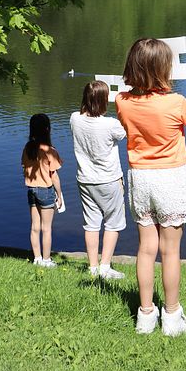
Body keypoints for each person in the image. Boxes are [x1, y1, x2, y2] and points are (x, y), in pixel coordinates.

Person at [115, 38, 186, 337]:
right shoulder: (176, 103)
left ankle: (146, 315)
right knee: (171, 251)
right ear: (164, 68)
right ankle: (172, 316)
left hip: (140, 179)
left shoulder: (122, 101)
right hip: (170, 179)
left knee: (146, 249)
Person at [70, 81, 127, 279]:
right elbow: (124, 133)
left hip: (85, 180)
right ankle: (105, 266)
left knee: (91, 224)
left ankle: (93, 267)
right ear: (104, 100)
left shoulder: (74, 119)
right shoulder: (110, 124)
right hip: (109, 180)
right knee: (112, 223)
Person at [22, 114, 63, 268]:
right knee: (46, 228)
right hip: (46, 191)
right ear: (47, 129)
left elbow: (24, 168)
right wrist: (59, 196)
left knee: (34, 226)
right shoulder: (49, 151)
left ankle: (37, 258)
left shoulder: (28, 148)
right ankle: (46, 260)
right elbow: (55, 177)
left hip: (31, 190)